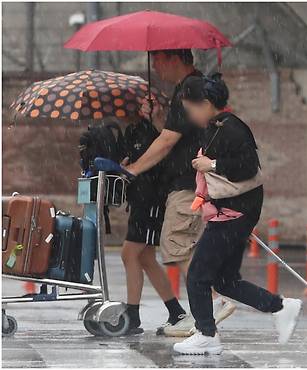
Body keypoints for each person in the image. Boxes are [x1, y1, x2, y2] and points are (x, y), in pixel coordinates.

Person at [171, 75, 302, 355]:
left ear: (205, 104)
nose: (189, 115)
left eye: (190, 108)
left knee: (197, 274)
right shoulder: (217, 127)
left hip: (233, 213)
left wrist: (212, 164)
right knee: (225, 280)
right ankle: (281, 307)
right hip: (232, 212)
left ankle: (206, 333)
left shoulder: (233, 128)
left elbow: (247, 167)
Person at [124, 49, 234, 336]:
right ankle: (201, 311)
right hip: (190, 181)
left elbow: (168, 141)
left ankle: (210, 304)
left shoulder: (191, 88)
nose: (154, 66)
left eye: (158, 60)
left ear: (174, 58)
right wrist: (160, 117)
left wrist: (133, 168)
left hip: (189, 183)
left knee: (177, 243)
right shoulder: (188, 88)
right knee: (181, 245)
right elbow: (178, 133)